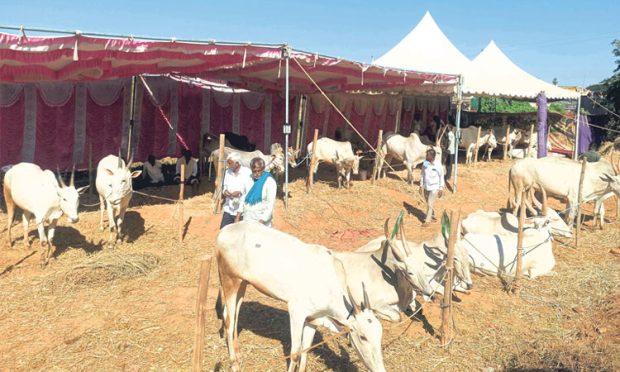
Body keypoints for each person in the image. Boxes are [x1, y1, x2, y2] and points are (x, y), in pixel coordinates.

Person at [220, 152, 252, 229]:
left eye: (230, 163)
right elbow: (224, 186)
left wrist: (239, 193)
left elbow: (249, 192)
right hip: (229, 208)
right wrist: (225, 192)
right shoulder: (227, 172)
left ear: (237, 163)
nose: (228, 165)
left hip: (242, 211)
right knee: (224, 231)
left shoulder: (247, 172)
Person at [243, 157, 277, 227]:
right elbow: (243, 197)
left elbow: (270, 204)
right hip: (247, 218)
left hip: (261, 221)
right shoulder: (249, 179)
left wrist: (262, 221)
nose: (256, 173)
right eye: (254, 171)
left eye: (259, 171)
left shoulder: (269, 182)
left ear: (263, 168)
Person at [420, 148, 444, 225]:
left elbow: (441, 176)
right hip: (426, 187)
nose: (426, 156)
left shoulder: (438, 165)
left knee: (430, 203)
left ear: (432, 156)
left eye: (427, 155)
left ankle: (427, 221)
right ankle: (432, 215)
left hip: (435, 187)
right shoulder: (425, 163)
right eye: (426, 155)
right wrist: (421, 185)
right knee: (428, 202)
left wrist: (441, 188)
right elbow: (422, 174)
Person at [444, 124, 456, 189]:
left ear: (449, 128)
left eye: (448, 127)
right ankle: (448, 175)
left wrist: (446, 148)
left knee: (448, 164)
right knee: (450, 164)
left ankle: (447, 176)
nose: (447, 128)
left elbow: (449, 142)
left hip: (450, 151)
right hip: (452, 150)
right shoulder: (452, 134)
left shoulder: (449, 134)